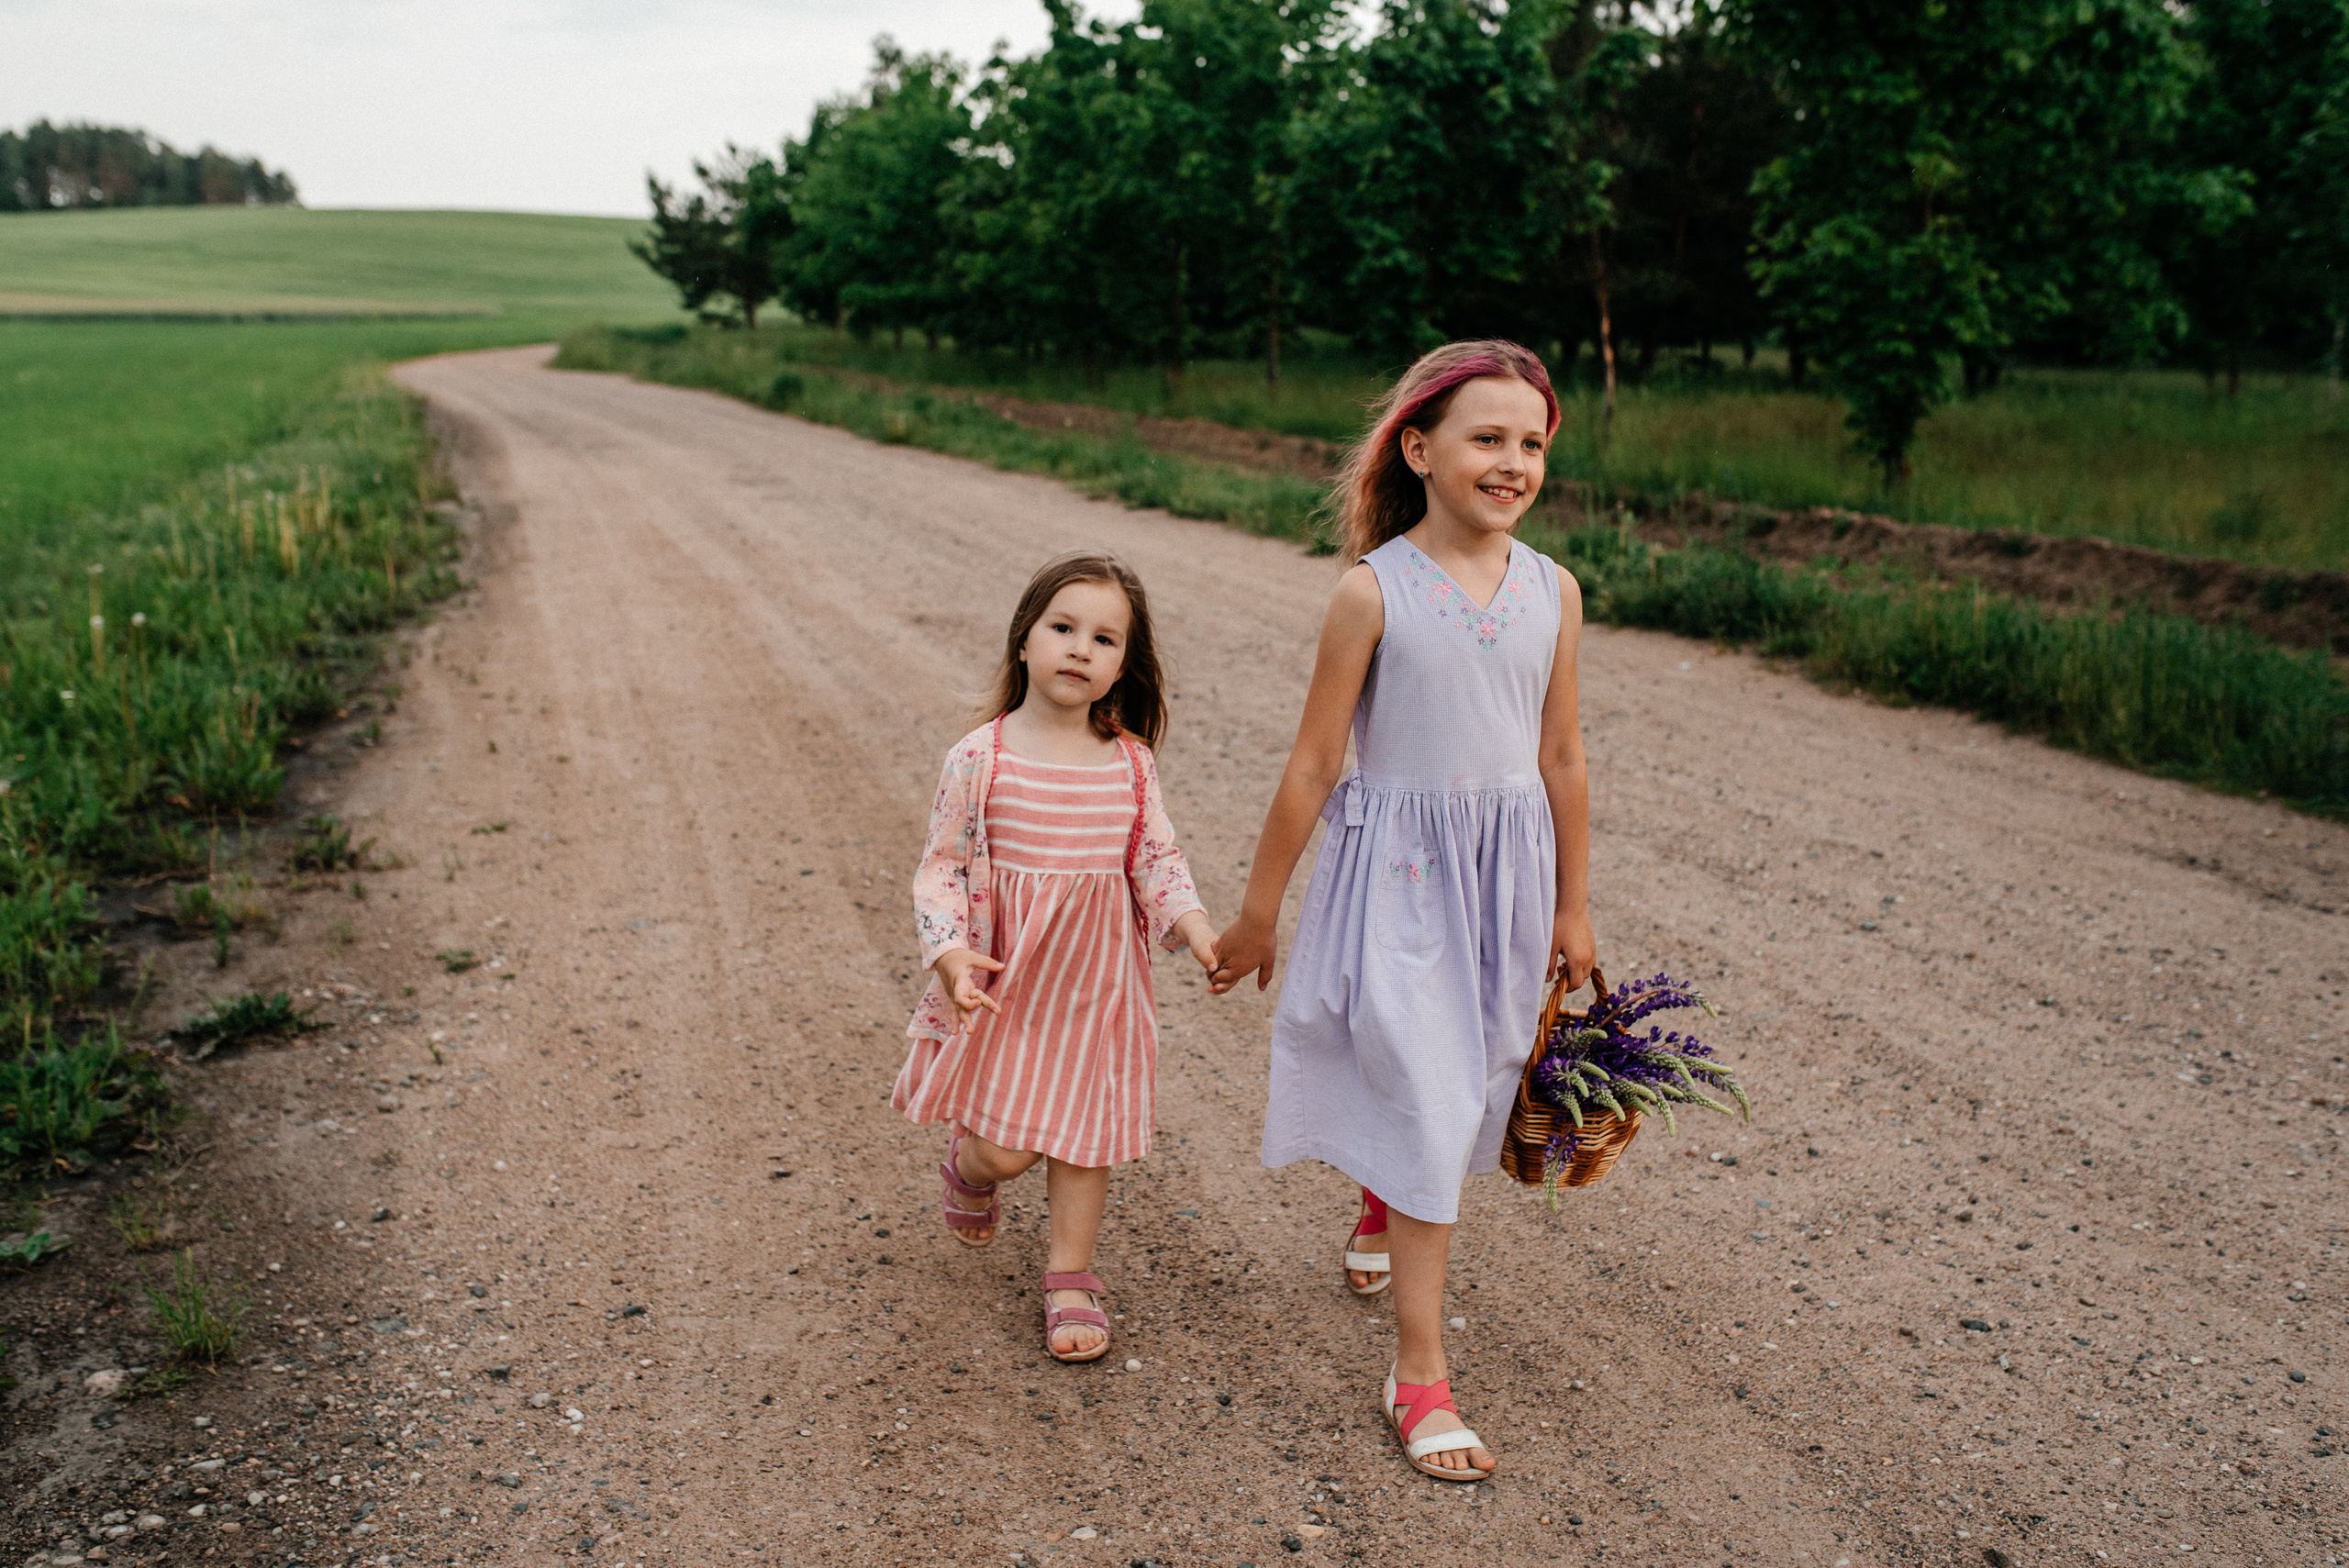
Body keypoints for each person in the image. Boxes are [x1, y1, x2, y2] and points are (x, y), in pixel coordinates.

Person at [1208, 339, 1596, 1479]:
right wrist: (1257, 913)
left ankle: (1382, 1198)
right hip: (1403, 885)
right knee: (1431, 1102)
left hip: (1506, 883)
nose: (1513, 461)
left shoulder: (1552, 590)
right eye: (1488, 437)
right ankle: (1419, 1373)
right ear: (1419, 449)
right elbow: (1312, 764)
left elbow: (1563, 753)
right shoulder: (1369, 591)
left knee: (1468, 1077)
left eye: (1531, 442)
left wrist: (1575, 907)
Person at [895, 550, 1219, 1363]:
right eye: (1064, 628)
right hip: (1010, 988)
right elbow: (940, 868)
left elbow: (1158, 861)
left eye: (1105, 639)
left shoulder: (1130, 764)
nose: (1082, 648)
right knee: (1008, 1148)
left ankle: (1069, 1274)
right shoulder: (982, 757)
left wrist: (1197, 926)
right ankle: (971, 1168)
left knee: (1084, 1137)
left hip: (1097, 991)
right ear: (1024, 643)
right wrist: (952, 956)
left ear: (1121, 667)